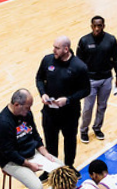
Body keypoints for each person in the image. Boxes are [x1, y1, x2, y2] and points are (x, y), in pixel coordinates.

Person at [0, 89, 62, 189]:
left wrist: (46, 154)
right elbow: (9, 153)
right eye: (27, 107)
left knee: (61, 170)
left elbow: (35, 135)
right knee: (37, 187)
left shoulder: (26, 113)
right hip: (11, 161)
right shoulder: (3, 123)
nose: (29, 110)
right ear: (16, 105)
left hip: (30, 153)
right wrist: (29, 165)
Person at [36, 36, 91, 172]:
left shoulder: (79, 66)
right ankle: (51, 169)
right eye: (53, 46)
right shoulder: (47, 60)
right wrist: (43, 93)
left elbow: (86, 90)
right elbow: (39, 78)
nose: (53, 50)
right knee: (50, 142)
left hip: (69, 114)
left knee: (70, 142)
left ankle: (69, 169)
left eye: (57, 48)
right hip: (49, 112)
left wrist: (68, 99)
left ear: (66, 49)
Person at [77, 15, 117, 143]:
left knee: (102, 106)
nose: (97, 28)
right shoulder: (84, 41)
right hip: (90, 80)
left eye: (100, 25)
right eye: (95, 26)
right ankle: (84, 130)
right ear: (91, 26)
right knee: (88, 108)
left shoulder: (111, 40)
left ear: (103, 26)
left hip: (106, 79)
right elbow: (78, 62)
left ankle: (97, 128)